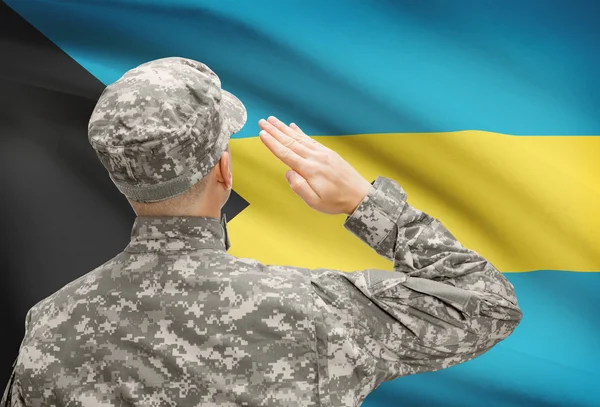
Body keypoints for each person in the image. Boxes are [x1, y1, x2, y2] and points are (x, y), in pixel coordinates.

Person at [1, 57, 522, 407]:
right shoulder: (318, 310)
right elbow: (488, 305)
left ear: (120, 175)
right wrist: (366, 204)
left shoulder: (50, 325)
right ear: (224, 170)